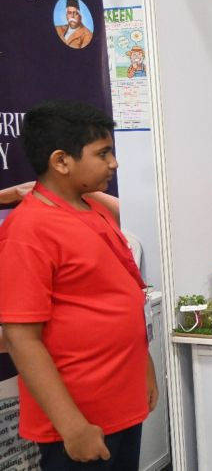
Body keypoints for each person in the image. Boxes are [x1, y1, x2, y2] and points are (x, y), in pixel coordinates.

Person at [0, 100, 158, 470]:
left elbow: (122, 297)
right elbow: (22, 338)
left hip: (122, 403)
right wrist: (72, 427)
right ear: (61, 161)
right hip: (80, 419)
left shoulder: (93, 210)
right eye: (103, 153)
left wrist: (145, 368)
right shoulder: (29, 230)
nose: (114, 163)